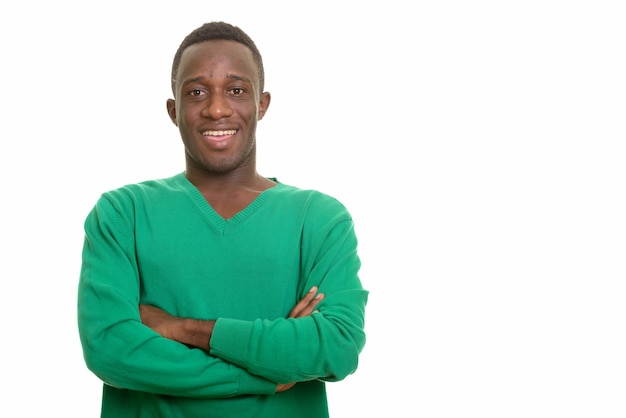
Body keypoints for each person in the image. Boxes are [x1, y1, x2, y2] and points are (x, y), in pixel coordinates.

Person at [77, 21, 368, 417]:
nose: (216, 108)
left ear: (261, 104)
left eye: (236, 90)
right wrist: (266, 373)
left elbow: (336, 345)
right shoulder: (122, 213)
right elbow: (110, 349)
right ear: (173, 109)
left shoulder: (318, 219)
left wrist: (182, 329)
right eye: (196, 92)